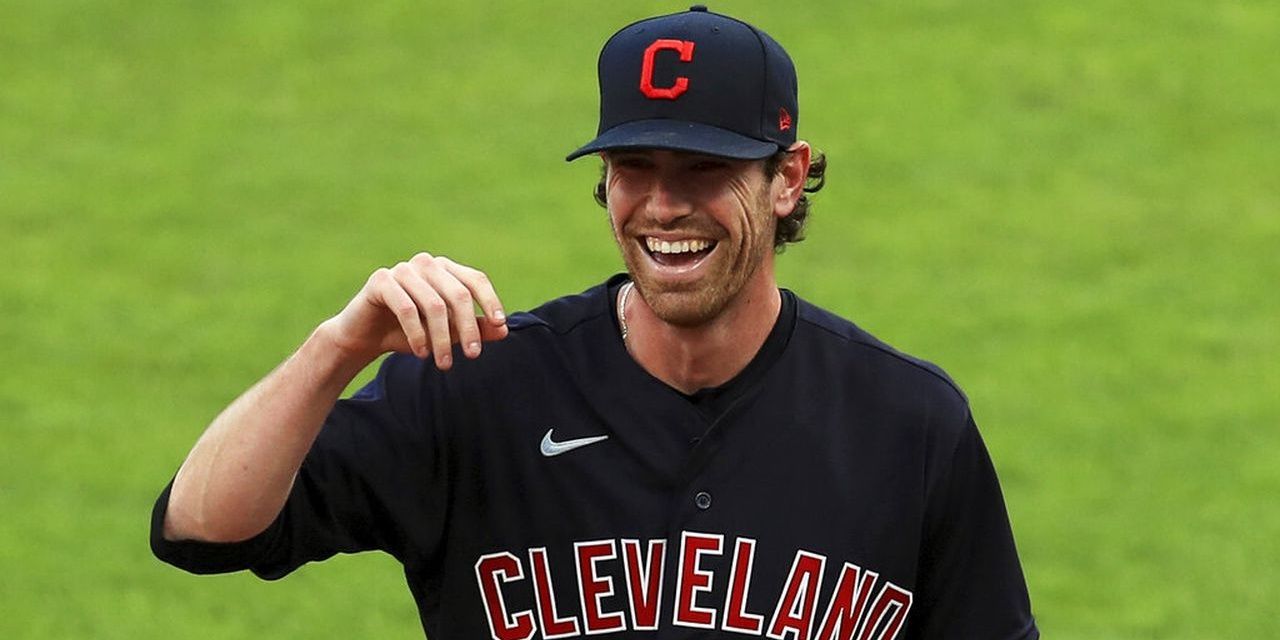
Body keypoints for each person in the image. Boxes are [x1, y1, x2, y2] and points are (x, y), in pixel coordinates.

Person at [151, 6, 1038, 639]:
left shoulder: (908, 424)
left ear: (787, 176)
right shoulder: (479, 387)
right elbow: (201, 530)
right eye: (633, 166)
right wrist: (337, 345)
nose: (662, 206)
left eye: (702, 169)